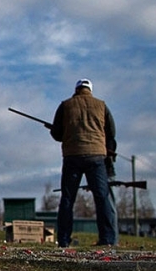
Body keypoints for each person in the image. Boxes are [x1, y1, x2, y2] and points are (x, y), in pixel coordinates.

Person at [50, 78, 118, 247]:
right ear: (90, 90)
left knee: (67, 199)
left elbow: (56, 133)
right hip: (96, 156)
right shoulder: (102, 105)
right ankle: (107, 240)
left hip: (72, 156)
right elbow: (111, 132)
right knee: (102, 198)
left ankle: (64, 240)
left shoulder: (65, 105)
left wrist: (68, 134)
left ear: (76, 89)